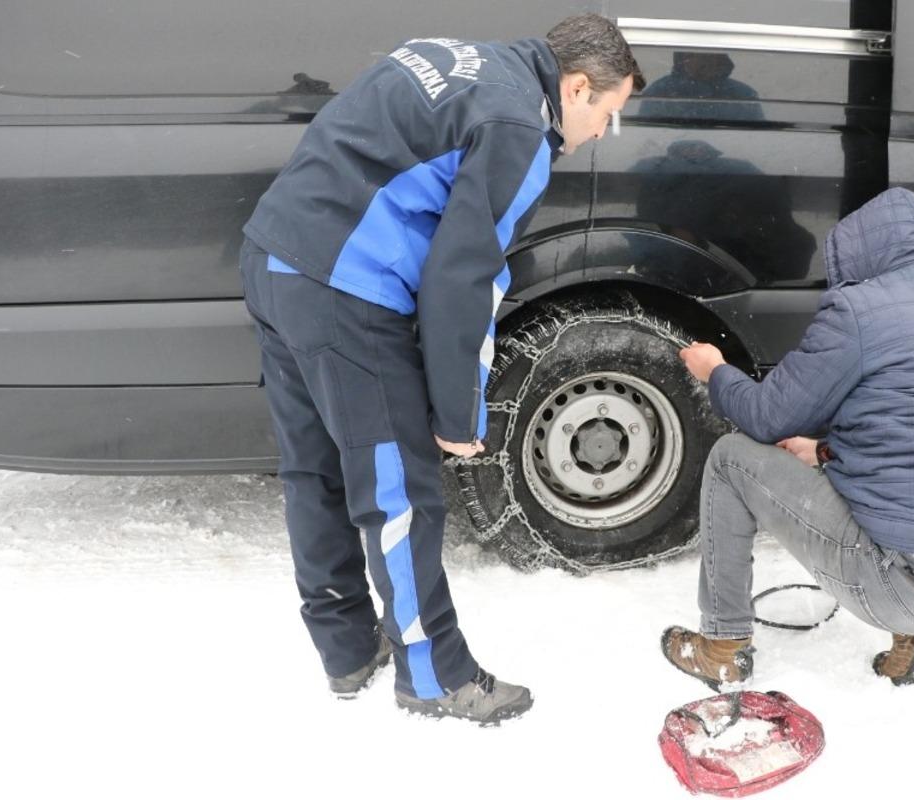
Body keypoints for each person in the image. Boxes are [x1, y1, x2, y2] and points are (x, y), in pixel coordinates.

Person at [238, 15, 643, 724]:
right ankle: (432, 675)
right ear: (577, 86)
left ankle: (346, 649)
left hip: (275, 256)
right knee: (400, 491)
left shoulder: (450, 54)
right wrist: (459, 416)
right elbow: (465, 277)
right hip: (347, 289)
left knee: (317, 470)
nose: (600, 135)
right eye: (608, 115)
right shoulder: (519, 128)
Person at [662, 187, 914, 687]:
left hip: (904, 585)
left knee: (731, 459)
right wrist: (822, 452)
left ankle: (721, 648)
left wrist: (717, 372)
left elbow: (767, 417)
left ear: (858, 254)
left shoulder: (862, 310)